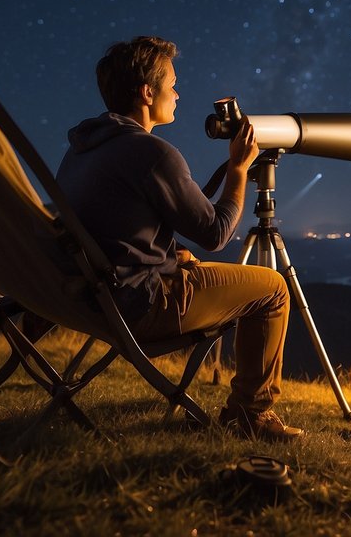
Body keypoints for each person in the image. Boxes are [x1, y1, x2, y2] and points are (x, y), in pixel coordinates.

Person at [55, 35, 302, 441]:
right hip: (140, 306)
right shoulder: (152, 153)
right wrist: (239, 169)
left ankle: (248, 411)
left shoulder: (84, 149)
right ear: (147, 93)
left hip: (91, 301)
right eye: (171, 84)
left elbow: (121, 229)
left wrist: (172, 258)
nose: (178, 93)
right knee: (273, 288)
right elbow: (216, 233)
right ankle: (251, 415)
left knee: (190, 261)